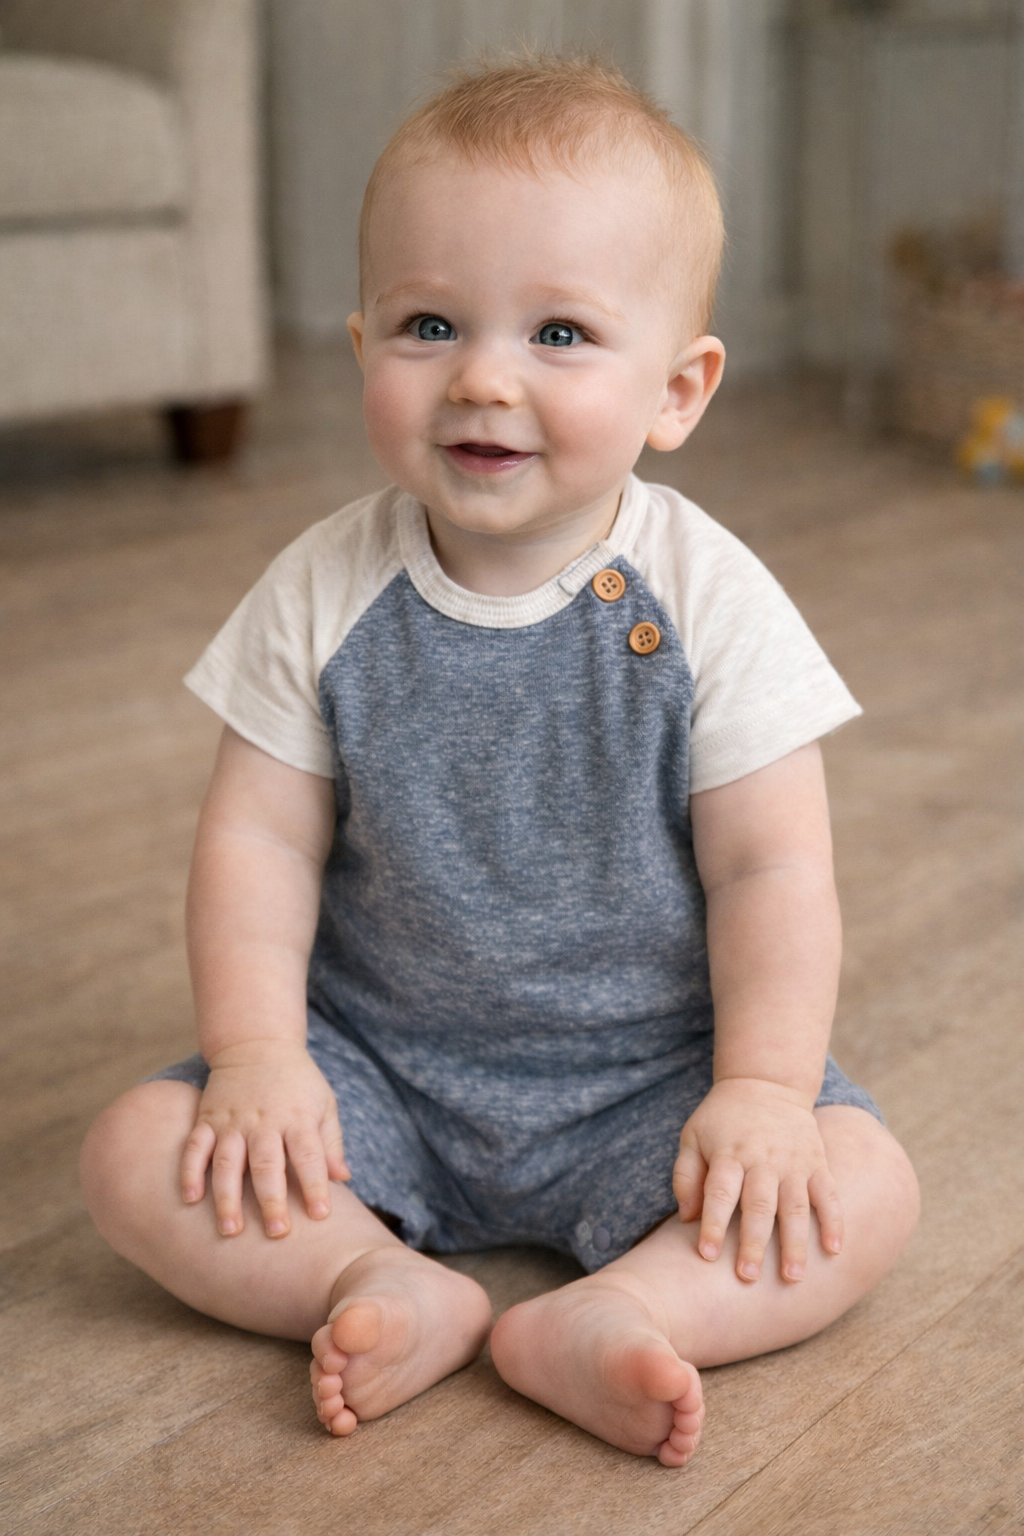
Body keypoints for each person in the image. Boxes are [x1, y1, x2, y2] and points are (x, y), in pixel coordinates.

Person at [80, 53, 919, 1468]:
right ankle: (370, 1273)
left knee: (866, 1186)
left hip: (654, 1084)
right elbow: (257, 844)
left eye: (561, 335)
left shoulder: (709, 601)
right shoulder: (323, 592)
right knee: (130, 1158)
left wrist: (766, 1092)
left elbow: (773, 865)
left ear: (680, 388)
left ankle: (619, 1309)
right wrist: (261, 1056)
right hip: (377, 1074)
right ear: (361, 350)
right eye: (428, 323)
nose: (482, 377)